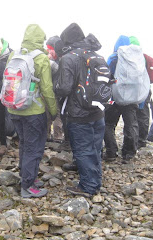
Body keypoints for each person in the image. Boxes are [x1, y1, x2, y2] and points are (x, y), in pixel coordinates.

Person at [55, 23, 105, 198]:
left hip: (78, 112)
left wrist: (55, 88)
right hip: (98, 111)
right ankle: (96, 180)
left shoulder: (69, 58)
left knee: (83, 149)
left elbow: (64, 87)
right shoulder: (95, 55)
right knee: (95, 148)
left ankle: (88, 186)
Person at [7, 24, 57, 198]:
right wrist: (53, 110)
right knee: (34, 148)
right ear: (40, 39)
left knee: (24, 144)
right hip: (33, 111)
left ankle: (27, 177)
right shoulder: (41, 58)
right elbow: (47, 88)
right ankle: (28, 186)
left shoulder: (14, 54)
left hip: (14, 108)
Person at [103, 35, 140, 163]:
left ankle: (111, 153)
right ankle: (129, 154)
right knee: (131, 124)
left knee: (108, 124)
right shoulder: (136, 59)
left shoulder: (114, 57)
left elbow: (106, 75)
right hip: (131, 99)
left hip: (115, 98)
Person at [46, 36, 65, 143]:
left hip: (55, 91)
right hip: (52, 91)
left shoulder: (59, 60)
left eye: (50, 49)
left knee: (56, 114)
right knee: (51, 114)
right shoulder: (60, 59)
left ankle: (56, 136)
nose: (48, 51)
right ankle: (52, 135)